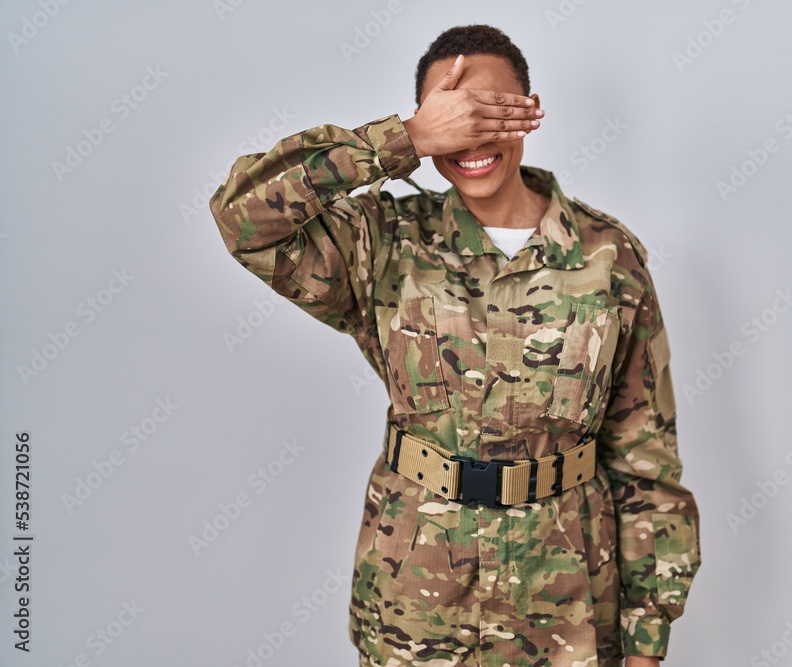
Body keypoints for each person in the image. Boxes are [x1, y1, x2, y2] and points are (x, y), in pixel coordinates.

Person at [209, 23, 700, 667]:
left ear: (527, 114)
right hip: (419, 595)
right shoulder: (383, 243)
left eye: (490, 113)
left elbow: (644, 455)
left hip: (569, 601)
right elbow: (243, 217)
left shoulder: (608, 255)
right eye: (454, 117)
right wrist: (403, 141)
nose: (473, 137)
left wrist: (646, 639)